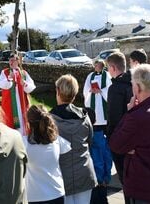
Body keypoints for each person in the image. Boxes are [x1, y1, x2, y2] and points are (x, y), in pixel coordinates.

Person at [109, 64, 150, 203]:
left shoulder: (138, 116)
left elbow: (115, 144)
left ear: (137, 87)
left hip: (144, 190)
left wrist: (129, 112)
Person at [50, 74, 97, 204]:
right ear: (75, 94)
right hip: (84, 173)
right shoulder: (85, 117)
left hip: (61, 176)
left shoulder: (49, 121)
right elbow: (90, 141)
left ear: (58, 91)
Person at [23, 105, 71, 204]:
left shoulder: (24, 143)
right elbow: (68, 149)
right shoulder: (57, 140)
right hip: (57, 193)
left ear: (29, 122)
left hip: (35, 197)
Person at [83, 60, 112, 203]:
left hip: (105, 117)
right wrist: (91, 91)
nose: (96, 67)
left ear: (103, 66)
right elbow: (85, 91)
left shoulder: (107, 76)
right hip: (95, 117)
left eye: (98, 65)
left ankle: (104, 177)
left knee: (104, 150)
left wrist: (101, 91)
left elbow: (110, 91)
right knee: (98, 149)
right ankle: (101, 178)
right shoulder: (90, 76)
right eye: (95, 65)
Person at [106, 52, 132, 203]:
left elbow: (114, 118)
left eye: (108, 68)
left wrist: (110, 139)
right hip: (135, 137)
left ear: (113, 67)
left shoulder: (115, 88)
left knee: (125, 181)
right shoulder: (133, 82)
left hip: (121, 139)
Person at [0, 52, 36, 135]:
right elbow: (0, 84)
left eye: (13, 60)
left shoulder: (24, 73)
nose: (11, 62)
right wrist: (9, 79)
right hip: (10, 104)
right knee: (9, 126)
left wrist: (25, 84)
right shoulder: (4, 72)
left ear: (18, 61)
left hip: (22, 104)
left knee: (23, 125)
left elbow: (31, 87)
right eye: (10, 61)